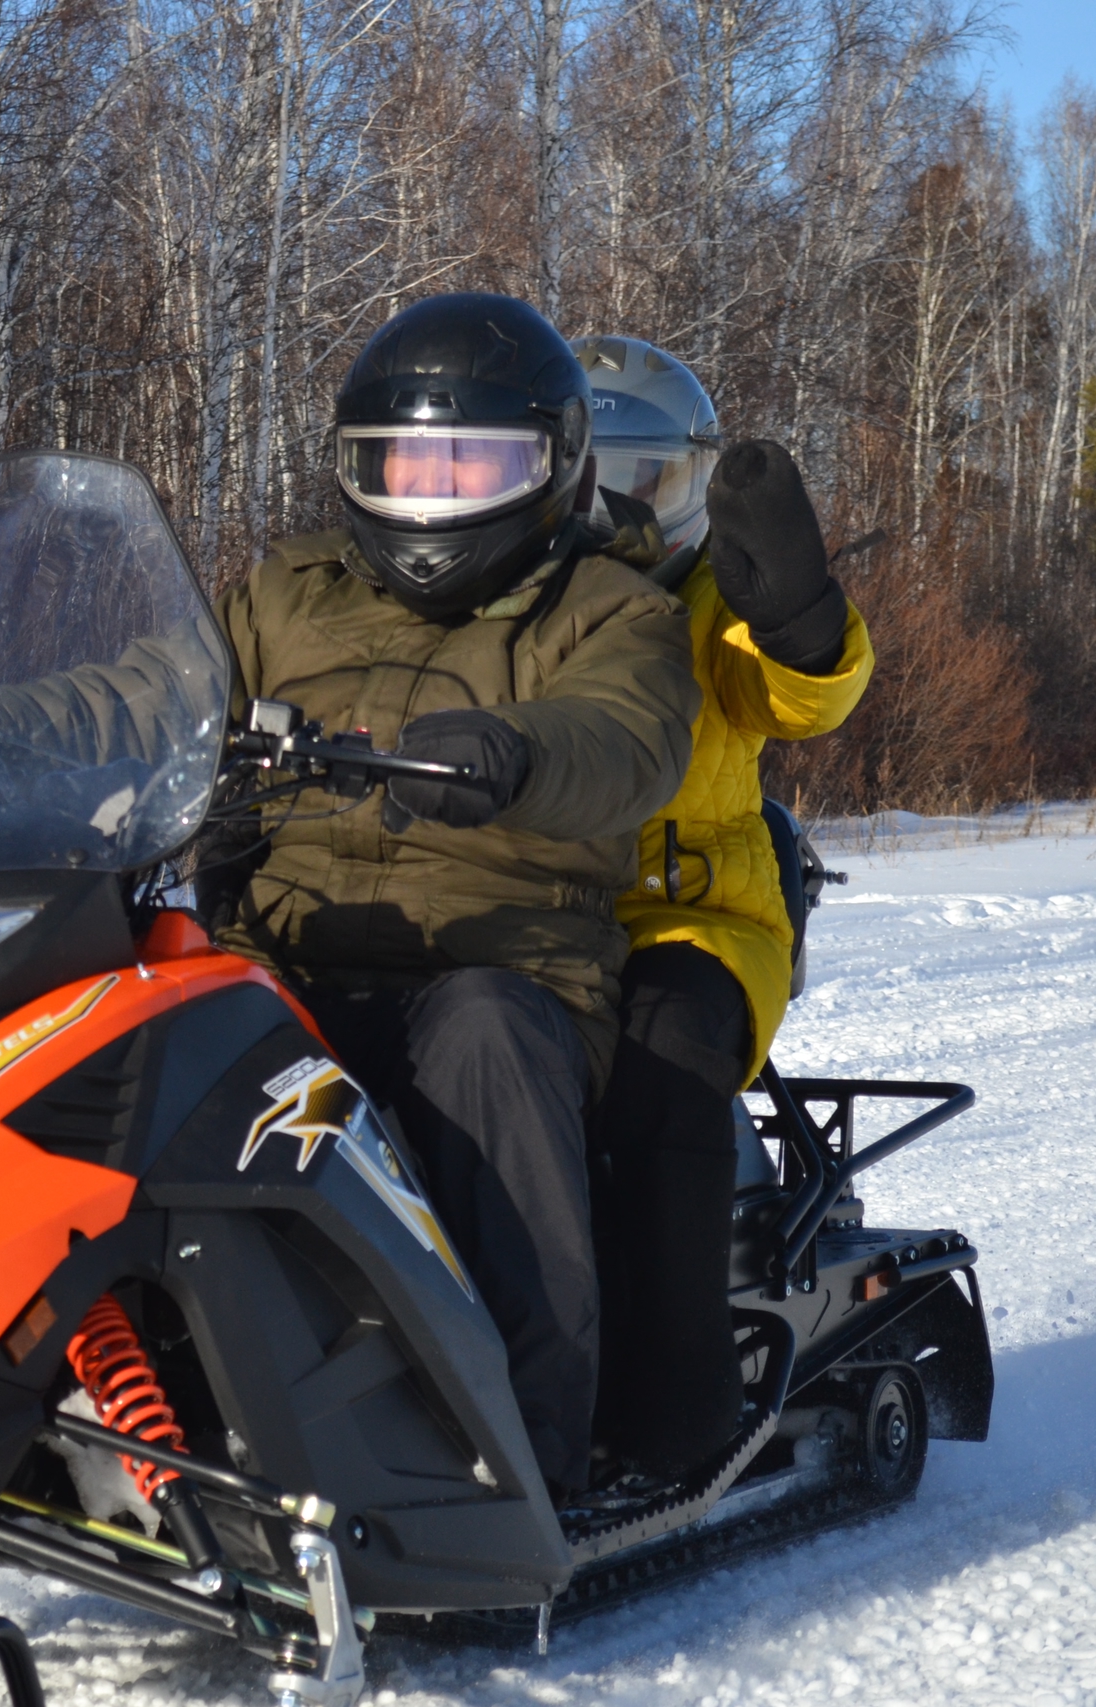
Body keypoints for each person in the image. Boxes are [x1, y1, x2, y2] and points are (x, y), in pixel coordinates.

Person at [209, 295, 700, 1495]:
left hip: (504, 972)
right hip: (283, 952)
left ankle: (524, 1459)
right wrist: (14, 726)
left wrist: (514, 754)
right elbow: (155, 685)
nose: (428, 495)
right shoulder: (283, 593)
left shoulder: (614, 612)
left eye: (467, 461)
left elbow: (626, 740)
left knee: (481, 1036)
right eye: (397, 464)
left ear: (554, 463)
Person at [567, 335, 875, 1481]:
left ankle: (677, 1407)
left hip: (693, 925)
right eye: (598, 480)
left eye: (648, 482)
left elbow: (802, 693)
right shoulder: (512, 596)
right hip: (527, 915)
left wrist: (800, 614)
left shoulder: (711, 604)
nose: (621, 514)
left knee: (655, 1066)